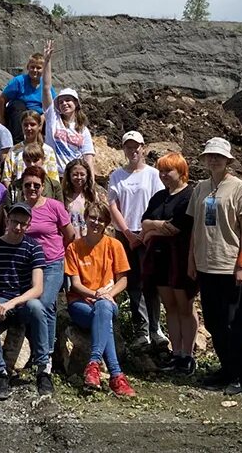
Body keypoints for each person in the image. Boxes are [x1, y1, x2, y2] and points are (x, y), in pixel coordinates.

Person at [186, 137, 242, 396]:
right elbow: (195, 228)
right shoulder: (201, 188)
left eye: (218, 156)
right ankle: (226, 368)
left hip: (230, 265)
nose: (213, 159)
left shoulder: (240, 189)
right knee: (214, 323)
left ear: (228, 160)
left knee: (234, 323)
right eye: (209, 155)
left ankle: (240, 374)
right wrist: (191, 260)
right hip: (206, 265)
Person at [0, 202, 51, 400]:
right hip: (0, 296)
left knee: (38, 307)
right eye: (14, 222)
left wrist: (11, 304)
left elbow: (38, 288)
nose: (18, 227)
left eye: (23, 224)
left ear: (28, 225)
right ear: (7, 221)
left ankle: (43, 369)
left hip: (22, 300)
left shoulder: (34, 247)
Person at [65, 201, 136, 397]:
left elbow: (123, 281)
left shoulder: (114, 245)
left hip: (107, 301)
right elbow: (76, 285)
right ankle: (116, 376)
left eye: (101, 219)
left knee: (103, 309)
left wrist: (108, 294)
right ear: (85, 218)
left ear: (106, 223)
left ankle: (94, 364)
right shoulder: (74, 248)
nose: (96, 222)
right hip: (80, 303)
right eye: (93, 217)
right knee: (104, 320)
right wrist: (96, 295)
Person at [140, 153, 197, 375]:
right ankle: (176, 353)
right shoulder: (158, 196)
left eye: (168, 171)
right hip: (160, 258)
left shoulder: (189, 196)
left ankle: (188, 355)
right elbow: (144, 222)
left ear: (181, 171)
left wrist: (152, 229)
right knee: (170, 307)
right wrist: (155, 226)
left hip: (181, 257)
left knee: (185, 306)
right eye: (161, 171)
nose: (163, 175)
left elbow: (176, 228)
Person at [108, 131, 166, 350]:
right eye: (128, 147)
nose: (133, 151)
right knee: (132, 283)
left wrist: (144, 231)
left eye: (136, 147)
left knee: (150, 281)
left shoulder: (153, 174)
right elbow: (113, 206)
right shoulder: (117, 176)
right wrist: (129, 233)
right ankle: (141, 330)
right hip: (126, 234)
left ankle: (156, 328)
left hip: (148, 233)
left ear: (144, 148)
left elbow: (158, 203)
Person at [22, 166, 75, 376]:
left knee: (42, 304)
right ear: (22, 187)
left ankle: (43, 356)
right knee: (49, 308)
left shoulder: (54, 206)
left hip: (53, 263)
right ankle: (48, 353)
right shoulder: (21, 208)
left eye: (36, 185)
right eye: (28, 185)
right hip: (29, 265)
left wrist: (58, 252)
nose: (32, 188)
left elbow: (69, 234)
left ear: (43, 186)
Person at [41, 40, 95, 177]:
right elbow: (46, 87)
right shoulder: (53, 118)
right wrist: (47, 61)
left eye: (68, 100)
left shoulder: (83, 130)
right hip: (53, 175)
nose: (64, 103)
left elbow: (88, 158)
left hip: (73, 178)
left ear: (76, 103)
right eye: (61, 101)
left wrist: (91, 183)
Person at [0, 50, 56, 143]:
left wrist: (43, 117)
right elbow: (2, 100)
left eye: (38, 68)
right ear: (28, 67)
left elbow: (52, 105)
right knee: (17, 105)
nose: (35, 70)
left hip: (39, 116)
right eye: (32, 67)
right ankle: (18, 142)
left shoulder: (46, 85)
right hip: (21, 115)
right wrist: (2, 119)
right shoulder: (18, 81)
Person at [2, 110, 59, 186]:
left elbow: (53, 179)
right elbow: (7, 178)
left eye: (32, 125)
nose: (29, 128)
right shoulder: (14, 151)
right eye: (25, 125)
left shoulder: (48, 150)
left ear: (39, 126)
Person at [63, 159, 107, 239]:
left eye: (82, 174)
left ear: (87, 175)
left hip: (89, 240)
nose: (79, 177)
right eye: (75, 174)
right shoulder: (63, 196)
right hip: (70, 241)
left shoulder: (94, 195)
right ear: (69, 176)